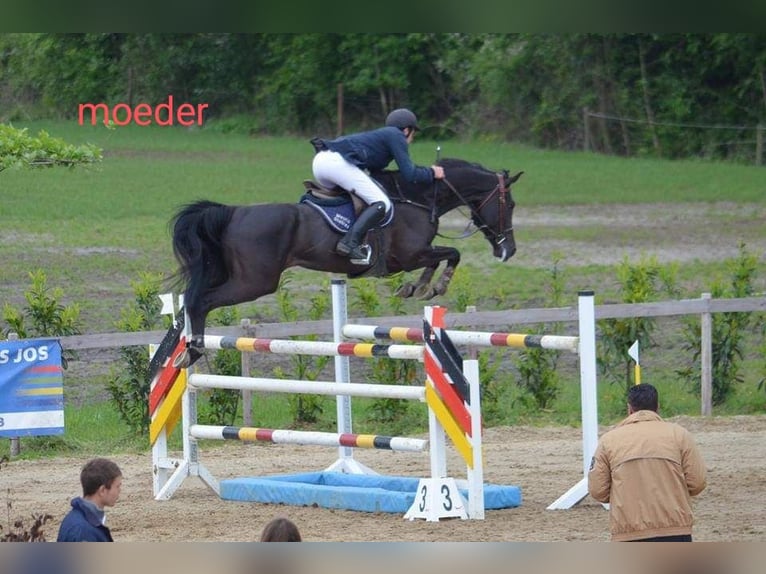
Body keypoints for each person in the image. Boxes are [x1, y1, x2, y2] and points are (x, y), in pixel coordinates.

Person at [311, 108, 445, 263]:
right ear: (407, 130)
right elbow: (410, 174)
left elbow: (377, 174)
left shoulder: (382, 138)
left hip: (321, 163)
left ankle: (340, 233)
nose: (412, 139)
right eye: (413, 133)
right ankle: (349, 243)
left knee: (358, 198)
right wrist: (432, 173)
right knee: (382, 203)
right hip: (336, 164)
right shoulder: (396, 136)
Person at [588, 383, 707, 542]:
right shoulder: (680, 435)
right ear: (657, 407)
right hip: (675, 529)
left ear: (629, 409)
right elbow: (697, 482)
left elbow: (598, 490)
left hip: (628, 530)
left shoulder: (608, 440)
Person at [57, 457, 123, 542]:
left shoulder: (77, 517)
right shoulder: (84, 532)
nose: (120, 490)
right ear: (102, 490)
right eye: (117, 486)